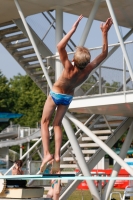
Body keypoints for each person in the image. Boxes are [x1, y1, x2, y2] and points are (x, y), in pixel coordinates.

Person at [40, 15, 113, 173]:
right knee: (57, 124)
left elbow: (60, 46)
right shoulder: (87, 70)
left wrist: (72, 29)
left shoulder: (68, 67)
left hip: (56, 94)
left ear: (74, 58)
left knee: (45, 122)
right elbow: (104, 53)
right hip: (67, 98)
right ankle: (57, 155)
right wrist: (104, 32)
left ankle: (47, 154)